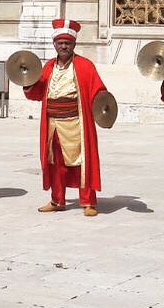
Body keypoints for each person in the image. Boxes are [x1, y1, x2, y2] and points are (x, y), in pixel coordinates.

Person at [23, 18, 107, 216]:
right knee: (55, 163)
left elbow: (99, 92)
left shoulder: (86, 66)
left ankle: (88, 201)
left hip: (76, 123)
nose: (63, 46)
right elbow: (37, 92)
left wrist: (104, 107)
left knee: (82, 161)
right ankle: (57, 199)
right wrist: (27, 83)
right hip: (53, 123)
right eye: (60, 43)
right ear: (54, 44)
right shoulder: (48, 67)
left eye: (67, 43)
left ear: (74, 44)